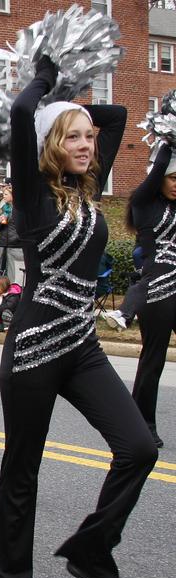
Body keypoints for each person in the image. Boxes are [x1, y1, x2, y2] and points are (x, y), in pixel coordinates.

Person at [0, 56, 159, 578]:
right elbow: (19, 110)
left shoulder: (90, 189)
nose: (87, 144)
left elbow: (119, 113)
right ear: (51, 146)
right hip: (34, 348)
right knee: (22, 471)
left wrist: (70, 99)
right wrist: (44, 79)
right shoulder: (33, 193)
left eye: (89, 138)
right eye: (74, 138)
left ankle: (92, 550)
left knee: (140, 447)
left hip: (81, 345)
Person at [124, 141, 176, 448]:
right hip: (156, 291)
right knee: (153, 358)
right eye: (172, 178)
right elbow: (158, 168)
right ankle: (143, 421)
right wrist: (168, 139)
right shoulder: (144, 202)